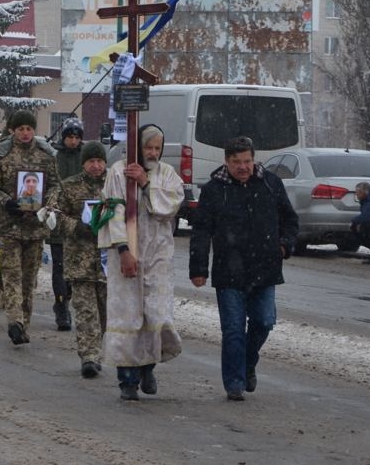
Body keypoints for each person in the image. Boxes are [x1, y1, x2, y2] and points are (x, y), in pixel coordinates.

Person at [189, 136, 298, 401]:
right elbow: (202, 231)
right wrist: (198, 267)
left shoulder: (271, 184)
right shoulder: (215, 189)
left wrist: (284, 245)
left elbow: (290, 220)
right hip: (229, 271)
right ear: (226, 162)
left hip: (265, 268)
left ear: (254, 159)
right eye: (236, 162)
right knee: (233, 329)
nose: (243, 167)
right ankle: (234, 382)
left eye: (247, 161)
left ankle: (248, 363)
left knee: (264, 321)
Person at [104, 123, 185, 401]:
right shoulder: (117, 172)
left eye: (157, 148)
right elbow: (112, 213)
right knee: (128, 316)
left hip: (158, 254)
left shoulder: (168, 174)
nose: (152, 153)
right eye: (148, 147)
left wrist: (145, 183)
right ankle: (127, 378)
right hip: (127, 253)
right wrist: (123, 250)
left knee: (156, 314)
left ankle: (148, 366)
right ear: (137, 146)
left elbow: (171, 205)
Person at [0, 109, 57, 345]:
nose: (26, 133)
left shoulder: (46, 155)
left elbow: (56, 187)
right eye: (21, 129)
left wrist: (46, 204)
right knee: (12, 275)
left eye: (29, 129)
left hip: (35, 227)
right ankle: (14, 321)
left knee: (29, 279)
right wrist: (7, 202)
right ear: (12, 130)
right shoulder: (1, 154)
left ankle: (24, 324)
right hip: (10, 226)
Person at [41, 141, 110, 379]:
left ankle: (98, 349)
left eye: (100, 161)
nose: (96, 166)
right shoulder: (69, 187)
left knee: (104, 312)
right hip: (79, 261)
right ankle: (89, 356)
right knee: (85, 310)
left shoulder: (115, 184)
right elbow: (50, 212)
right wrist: (75, 226)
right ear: (84, 163)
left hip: (107, 263)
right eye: (91, 161)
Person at [49, 117, 85, 331]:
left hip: (81, 220)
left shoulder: (86, 156)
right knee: (60, 265)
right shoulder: (54, 156)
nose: (73, 141)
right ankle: (61, 305)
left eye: (76, 137)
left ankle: (68, 296)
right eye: (69, 137)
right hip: (59, 217)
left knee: (76, 267)